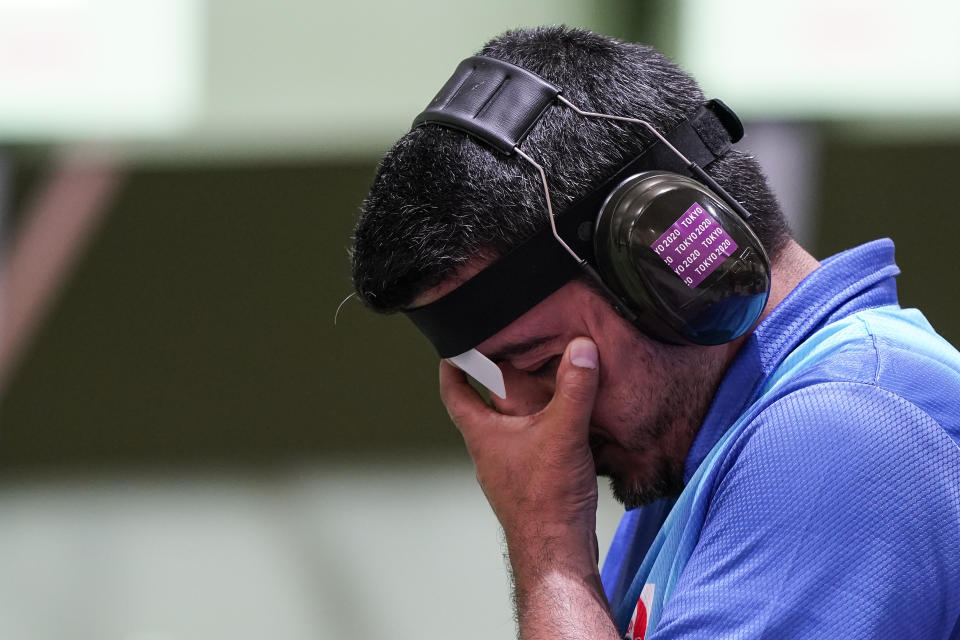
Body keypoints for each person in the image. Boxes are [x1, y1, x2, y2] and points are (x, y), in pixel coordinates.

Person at [350, 26, 960, 639]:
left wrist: (549, 550)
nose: (538, 423)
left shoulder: (844, 434)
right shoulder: (708, 441)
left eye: (542, 364)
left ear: (663, 267)